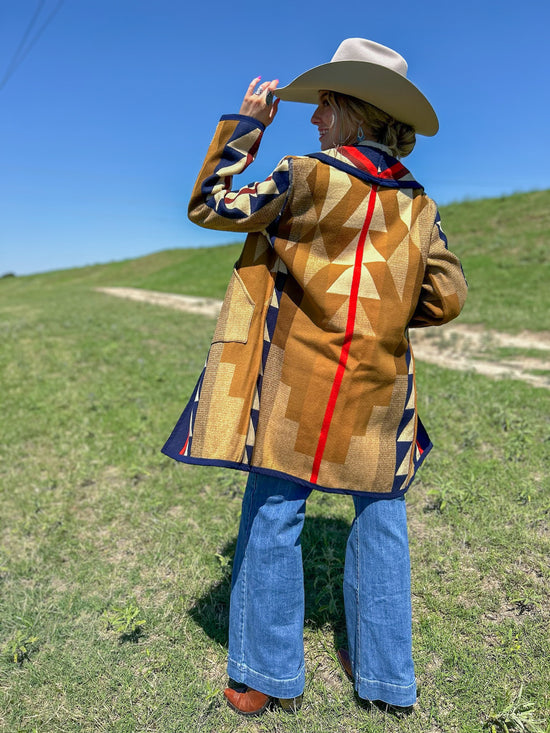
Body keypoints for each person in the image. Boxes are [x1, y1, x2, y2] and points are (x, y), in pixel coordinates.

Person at [162, 38, 467, 716]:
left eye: (323, 104)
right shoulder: (419, 205)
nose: (313, 118)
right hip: (379, 387)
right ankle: (387, 679)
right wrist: (386, 312)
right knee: (381, 517)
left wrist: (246, 126)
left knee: (274, 511)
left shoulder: (303, 176)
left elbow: (211, 202)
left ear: (350, 111)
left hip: (295, 385)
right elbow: (447, 295)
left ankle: (265, 675)